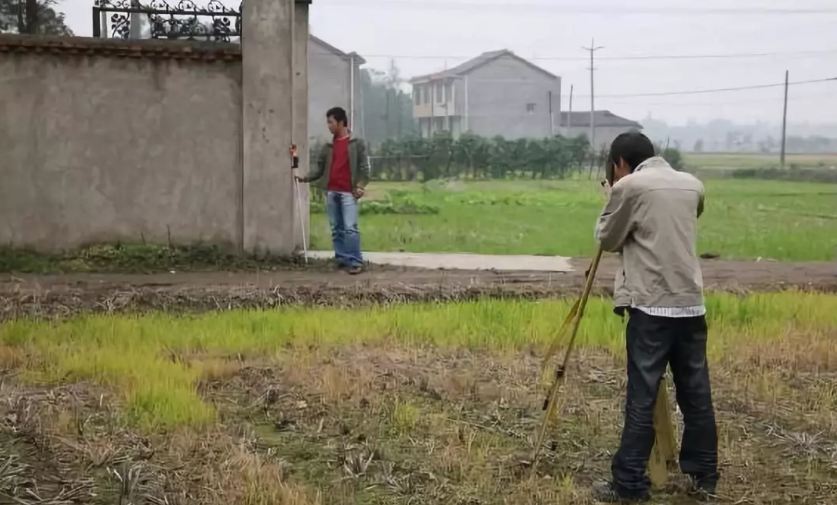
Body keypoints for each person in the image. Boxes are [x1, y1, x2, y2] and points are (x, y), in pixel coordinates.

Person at [591, 131, 718, 503]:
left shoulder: (629, 186)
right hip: (691, 305)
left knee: (642, 397)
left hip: (651, 308)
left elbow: (607, 238)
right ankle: (705, 475)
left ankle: (629, 484)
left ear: (619, 163)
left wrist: (611, 200)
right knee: (696, 394)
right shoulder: (692, 185)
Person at [296, 107, 370, 275]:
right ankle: (341, 258)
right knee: (336, 228)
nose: (328, 126)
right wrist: (304, 178)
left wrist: (360, 186)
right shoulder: (328, 146)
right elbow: (320, 170)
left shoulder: (356, 144)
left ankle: (355, 261)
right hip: (331, 191)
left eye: (331, 122)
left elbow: (364, 168)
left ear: (341, 122)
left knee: (350, 228)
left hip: (348, 193)